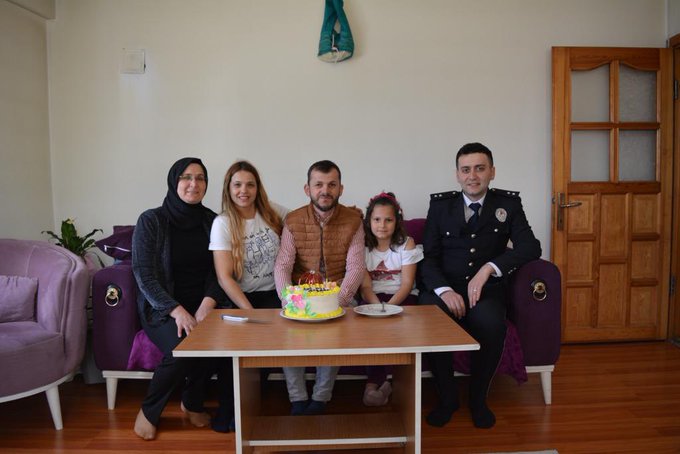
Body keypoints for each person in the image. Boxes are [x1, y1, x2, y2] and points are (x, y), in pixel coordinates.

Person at [419, 142, 541, 429]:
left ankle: (478, 400)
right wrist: (444, 291)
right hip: (445, 288)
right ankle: (448, 399)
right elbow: (429, 258)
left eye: (479, 168)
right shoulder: (440, 206)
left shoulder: (508, 205)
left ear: (492, 172)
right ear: (457, 175)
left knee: (490, 323)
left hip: (486, 292)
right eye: (465, 170)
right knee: (432, 318)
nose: (472, 176)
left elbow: (531, 247)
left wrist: (489, 268)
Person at [131, 157, 232, 440]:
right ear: (174, 181)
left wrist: (207, 303)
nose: (193, 184)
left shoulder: (212, 221)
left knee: (219, 343)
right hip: (162, 308)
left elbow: (221, 271)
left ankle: (192, 403)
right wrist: (176, 310)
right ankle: (149, 411)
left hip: (205, 305)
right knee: (183, 348)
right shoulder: (151, 220)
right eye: (186, 177)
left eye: (200, 178)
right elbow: (144, 274)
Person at [274, 159, 365, 416]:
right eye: (319, 185)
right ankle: (297, 398)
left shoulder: (354, 221)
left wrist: (337, 302)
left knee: (333, 329)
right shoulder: (293, 220)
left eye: (332, 185)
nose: (325, 190)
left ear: (340, 188)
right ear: (308, 189)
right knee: (289, 331)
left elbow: (356, 267)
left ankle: (321, 398)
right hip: (299, 296)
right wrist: (288, 301)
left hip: (339, 296)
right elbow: (283, 265)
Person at [358, 191, 423, 406]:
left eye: (388, 220)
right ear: (369, 221)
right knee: (371, 329)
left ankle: (390, 383)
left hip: (401, 297)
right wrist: (378, 308)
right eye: (377, 219)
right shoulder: (362, 246)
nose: (382, 225)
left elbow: (407, 284)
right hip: (373, 297)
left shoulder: (407, 244)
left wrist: (390, 308)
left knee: (398, 327)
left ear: (397, 221)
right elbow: (366, 286)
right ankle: (374, 382)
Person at [210, 161, 288, 309]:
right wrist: (249, 311)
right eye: (237, 185)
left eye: (250, 185)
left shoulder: (271, 210)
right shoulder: (222, 223)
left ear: (257, 188)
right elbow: (224, 277)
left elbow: (300, 221)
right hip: (243, 299)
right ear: (228, 188)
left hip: (278, 294)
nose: (244, 190)